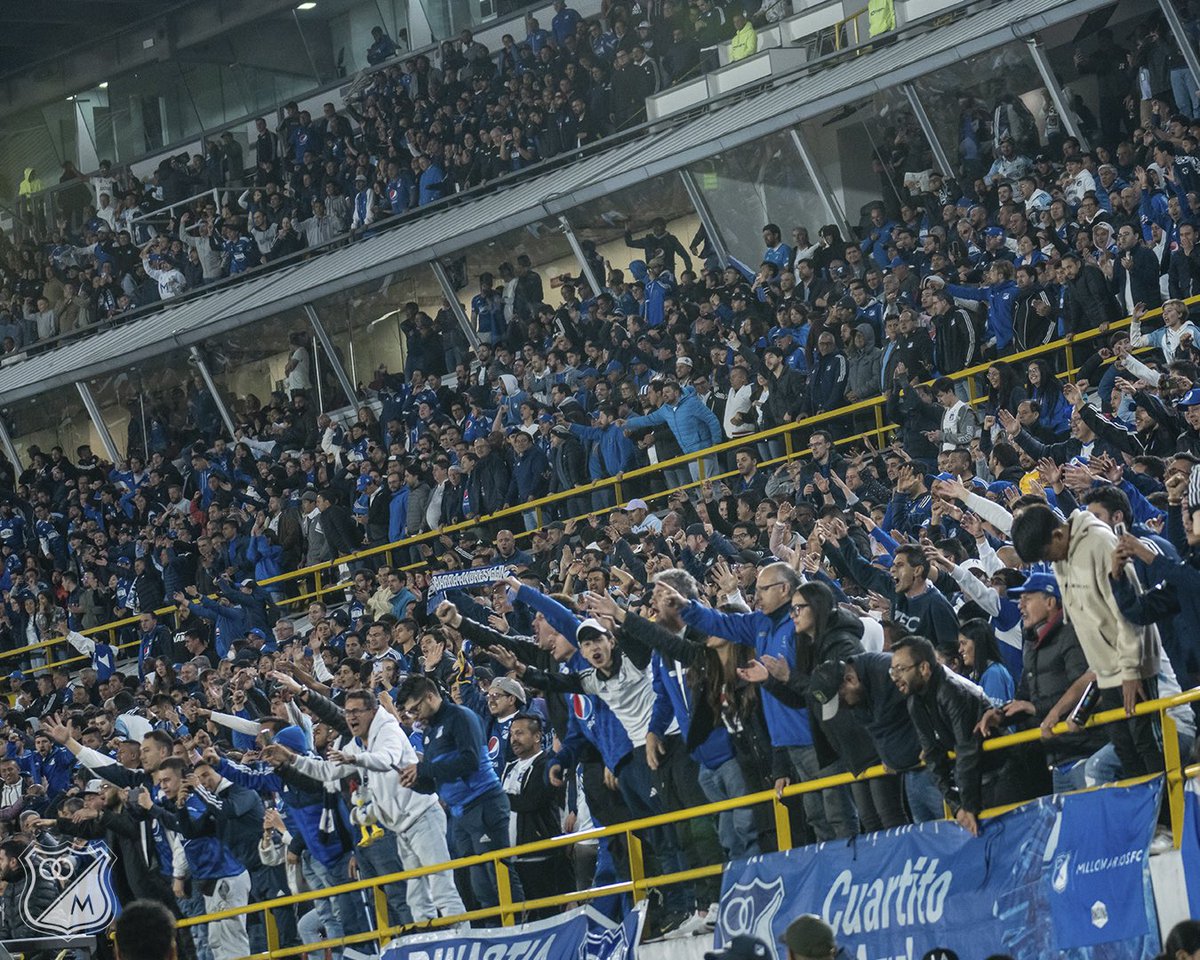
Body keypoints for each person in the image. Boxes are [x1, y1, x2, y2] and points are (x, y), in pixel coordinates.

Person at [396, 675, 524, 915]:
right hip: (460, 815)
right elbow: (436, 780)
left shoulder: (461, 717)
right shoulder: (429, 732)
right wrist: (413, 781)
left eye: (416, 709)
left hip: (484, 803)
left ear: (430, 697)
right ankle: (491, 937)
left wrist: (423, 769)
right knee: (479, 888)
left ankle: (519, 930)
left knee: (498, 876)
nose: (415, 716)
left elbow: (470, 760)